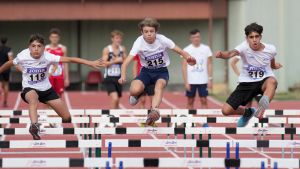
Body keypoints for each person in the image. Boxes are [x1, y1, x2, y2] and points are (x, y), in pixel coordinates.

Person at [0, 34, 102, 140]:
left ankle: (42, 120)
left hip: (46, 90)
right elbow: (9, 63)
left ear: (43, 48)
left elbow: (70, 59)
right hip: (29, 88)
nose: (36, 49)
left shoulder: (48, 56)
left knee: (67, 117)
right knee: (33, 98)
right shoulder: (23, 56)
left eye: (39, 46)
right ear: (29, 47)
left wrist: (89, 62)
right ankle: (34, 126)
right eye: (33, 46)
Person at [118, 18, 196, 126]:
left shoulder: (162, 39)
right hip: (146, 72)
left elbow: (180, 51)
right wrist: (122, 76)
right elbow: (125, 62)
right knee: (134, 90)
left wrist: (189, 58)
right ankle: (137, 94)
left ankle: (154, 110)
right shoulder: (138, 42)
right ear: (142, 32)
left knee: (159, 86)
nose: (149, 34)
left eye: (151, 31)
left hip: (161, 71)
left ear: (156, 32)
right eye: (146, 32)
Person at [215, 23, 282, 127]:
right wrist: (221, 55)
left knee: (272, 81)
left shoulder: (271, 49)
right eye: (251, 37)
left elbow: (271, 57)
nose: (254, 40)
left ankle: (261, 110)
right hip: (246, 83)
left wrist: (274, 65)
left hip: (263, 80)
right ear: (247, 38)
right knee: (225, 111)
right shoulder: (243, 47)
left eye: (257, 36)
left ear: (260, 37)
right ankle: (248, 112)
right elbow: (230, 53)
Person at [182, 29, 213, 109]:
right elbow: (184, 66)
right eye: (194, 37)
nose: (196, 38)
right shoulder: (186, 50)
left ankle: (205, 121)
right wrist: (186, 82)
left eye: (198, 36)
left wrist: (210, 79)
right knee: (190, 101)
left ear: (200, 37)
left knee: (204, 100)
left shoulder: (206, 48)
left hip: (203, 80)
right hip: (191, 81)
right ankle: (188, 121)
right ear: (190, 38)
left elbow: (209, 64)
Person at [102, 30, 127, 109]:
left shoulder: (122, 49)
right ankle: (112, 117)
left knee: (118, 100)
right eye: (116, 38)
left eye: (120, 38)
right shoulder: (107, 50)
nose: (118, 40)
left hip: (119, 77)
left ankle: (116, 117)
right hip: (109, 77)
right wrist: (115, 61)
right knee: (114, 98)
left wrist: (122, 60)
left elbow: (126, 62)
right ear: (112, 39)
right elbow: (104, 64)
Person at [45, 28, 69, 97]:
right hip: (49, 76)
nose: (54, 39)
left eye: (56, 37)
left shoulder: (63, 48)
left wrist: (67, 78)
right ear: (50, 38)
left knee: (58, 96)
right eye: (52, 37)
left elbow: (65, 64)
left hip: (59, 76)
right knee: (47, 96)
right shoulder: (46, 49)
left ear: (59, 38)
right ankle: (46, 108)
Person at [0, 37, 13, 107]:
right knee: (6, 85)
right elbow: (10, 59)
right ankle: (5, 101)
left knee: (1, 84)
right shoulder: (9, 49)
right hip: (6, 69)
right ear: (6, 41)